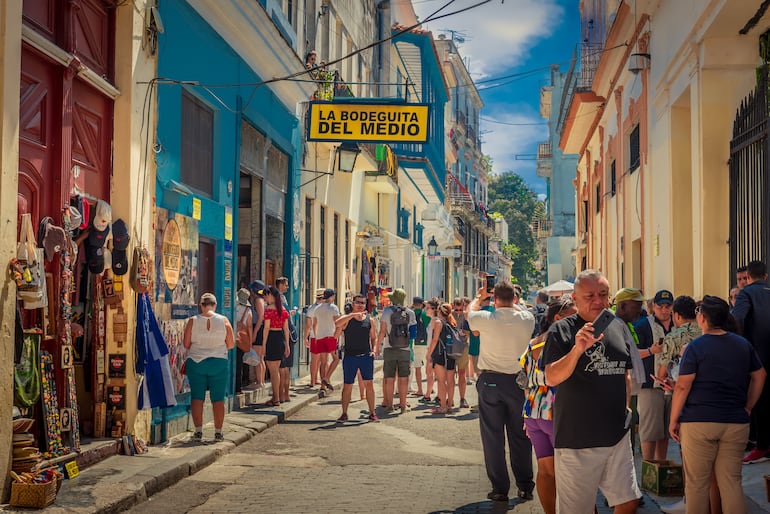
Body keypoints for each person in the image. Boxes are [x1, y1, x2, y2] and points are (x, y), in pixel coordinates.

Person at [543, 270, 641, 513]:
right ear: (575, 299)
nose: (598, 300)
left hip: (616, 436)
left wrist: (626, 408)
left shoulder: (617, 326)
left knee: (628, 501)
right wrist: (577, 350)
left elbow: (624, 373)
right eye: (589, 296)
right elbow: (551, 377)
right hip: (578, 440)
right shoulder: (562, 331)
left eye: (603, 294)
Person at [669, 295, 765, 513]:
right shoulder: (743, 344)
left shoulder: (695, 347)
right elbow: (760, 375)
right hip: (735, 421)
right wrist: (748, 405)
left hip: (698, 421)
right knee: (731, 483)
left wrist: (674, 419)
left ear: (702, 318)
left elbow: (683, 386)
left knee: (696, 485)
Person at [468, 281, 535, 503]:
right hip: (518, 382)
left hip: (491, 381)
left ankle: (499, 488)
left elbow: (470, 313)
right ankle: (525, 486)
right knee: (520, 436)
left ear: (494, 299)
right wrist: (510, 302)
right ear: (515, 299)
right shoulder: (527, 319)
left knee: (492, 437)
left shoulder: (485, 319)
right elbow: (520, 309)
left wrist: (480, 297)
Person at [521, 295, 577, 514]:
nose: (577, 321)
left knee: (545, 470)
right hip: (557, 413)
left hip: (534, 412)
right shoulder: (562, 342)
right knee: (574, 475)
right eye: (572, 317)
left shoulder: (533, 342)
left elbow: (524, 380)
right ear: (558, 318)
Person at [732, 260, 770, 464]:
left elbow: (738, 319)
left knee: (759, 400)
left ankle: (762, 446)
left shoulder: (746, 293)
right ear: (765, 276)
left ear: (748, 277)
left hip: (757, 355)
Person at [183, 292, 234, 441]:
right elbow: (230, 344)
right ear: (215, 305)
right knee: (218, 398)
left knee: (197, 397)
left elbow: (186, 344)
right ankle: (218, 432)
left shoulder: (193, 321)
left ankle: (198, 431)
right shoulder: (224, 321)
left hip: (196, 363)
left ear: (201, 305)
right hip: (218, 363)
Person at [634, 289, 674, 461]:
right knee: (649, 431)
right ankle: (648, 469)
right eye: (660, 306)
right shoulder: (643, 325)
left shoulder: (677, 324)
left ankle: (661, 465)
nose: (664, 310)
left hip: (673, 385)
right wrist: (651, 350)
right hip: (650, 385)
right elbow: (632, 352)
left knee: (664, 431)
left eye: (668, 306)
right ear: (653, 306)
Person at [334, 294, 378, 422]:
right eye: (358, 302)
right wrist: (352, 315)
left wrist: (374, 351)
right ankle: (344, 413)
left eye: (363, 303)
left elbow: (373, 338)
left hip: (365, 356)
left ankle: (372, 412)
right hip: (350, 357)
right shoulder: (347, 319)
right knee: (348, 385)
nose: (360, 305)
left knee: (369, 384)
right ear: (353, 304)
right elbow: (337, 323)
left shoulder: (370, 320)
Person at [376, 288, 416, 414]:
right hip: (404, 349)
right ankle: (403, 405)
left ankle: (389, 405)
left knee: (389, 377)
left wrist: (377, 346)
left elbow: (382, 331)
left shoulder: (387, 311)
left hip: (389, 347)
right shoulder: (410, 313)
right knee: (403, 378)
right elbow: (413, 334)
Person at [261, 286, 290, 407]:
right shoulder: (282, 309)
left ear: (271, 295)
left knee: (273, 371)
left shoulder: (269, 309)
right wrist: (287, 345)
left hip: (272, 338)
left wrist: (263, 344)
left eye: (266, 295)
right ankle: (276, 396)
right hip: (280, 338)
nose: (265, 297)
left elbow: (266, 328)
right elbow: (286, 329)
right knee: (276, 370)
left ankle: (276, 398)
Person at [426, 303, 458, 415]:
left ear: (440, 312)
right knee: (451, 381)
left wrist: (429, 353)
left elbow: (435, 340)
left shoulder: (439, 322)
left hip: (440, 355)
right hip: (451, 355)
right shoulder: (452, 322)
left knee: (441, 381)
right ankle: (449, 406)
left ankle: (443, 406)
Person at [314, 289, 341, 393]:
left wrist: (316, 336)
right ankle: (327, 378)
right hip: (330, 336)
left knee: (323, 362)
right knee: (336, 359)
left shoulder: (317, 308)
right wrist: (336, 335)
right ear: (331, 297)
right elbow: (338, 323)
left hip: (320, 336)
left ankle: (322, 386)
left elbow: (314, 324)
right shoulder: (334, 308)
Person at [276, 277, 296, 403]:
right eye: (286, 285)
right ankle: (285, 394)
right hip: (287, 333)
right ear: (280, 285)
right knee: (285, 367)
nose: (287, 287)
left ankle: (281, 395)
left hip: (285, 333)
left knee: (282, 367)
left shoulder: (280, 298)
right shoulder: (280, 298)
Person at [234, 288, 253, 394]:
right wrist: (250, 341)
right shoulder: (248, 311)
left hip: (229, 338)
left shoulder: (233, 306)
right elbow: (249, 327)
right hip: (240, 340)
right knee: (239, 364)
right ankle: (238, 388)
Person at [305, 289, 325, 387]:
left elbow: (308, 325)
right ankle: (317, 380)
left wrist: (305, 337)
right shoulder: (325, 308)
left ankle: (313, 380)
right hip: (324, 336)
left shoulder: (311, 308)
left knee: (315, 359)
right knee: (321, 359)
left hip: (314, 336)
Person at [410, 296, 430, 399]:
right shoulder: (425, 314)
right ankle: (430, 388)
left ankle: (420, 390)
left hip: (416, 343)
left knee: (417, 367)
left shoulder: (410, 313)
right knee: (428, 367)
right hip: (426, 342)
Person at [249, 281, 267, 388]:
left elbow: (261, 317)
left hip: (258, 329)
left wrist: (255, 333)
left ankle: (260, 382)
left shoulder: (258, 300)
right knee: (260, 358)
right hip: (261, 329)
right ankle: (261, 381)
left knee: (258, 358)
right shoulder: (262, 300)